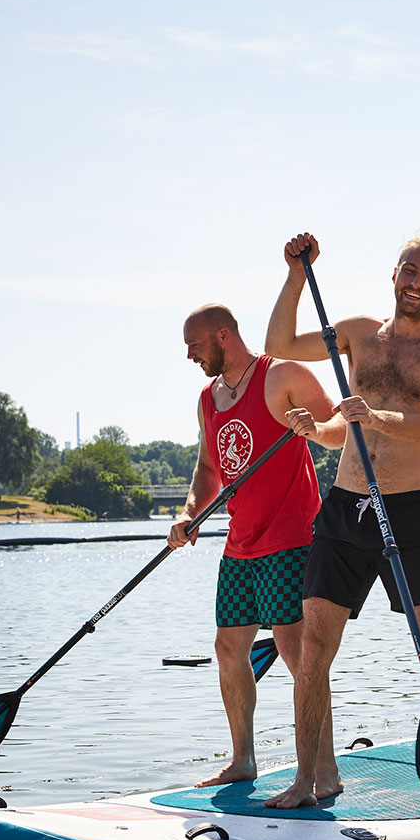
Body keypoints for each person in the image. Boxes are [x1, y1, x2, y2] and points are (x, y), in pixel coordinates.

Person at [263, 231, 420, 812]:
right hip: (344, 509)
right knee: (313, 648)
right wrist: (296, 274)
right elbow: (280, 342)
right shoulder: (360, 333)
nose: (417, 284)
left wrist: (375, 414)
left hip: (409, 512)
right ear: (394, 274)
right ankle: (309, 779)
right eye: (410, 271)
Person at [167, 304, 339, 791]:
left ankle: (325, 771)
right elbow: (206, 468)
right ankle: (243, 759)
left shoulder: (281, 374)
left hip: (291, 538)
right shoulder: (207, 398)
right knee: (228, 648)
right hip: (241, 543)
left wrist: (315, 430)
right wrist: (189, 511)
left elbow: (342, 428)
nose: (189, 355)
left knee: (297, 654)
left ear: (223, 336)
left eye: (194, 345)